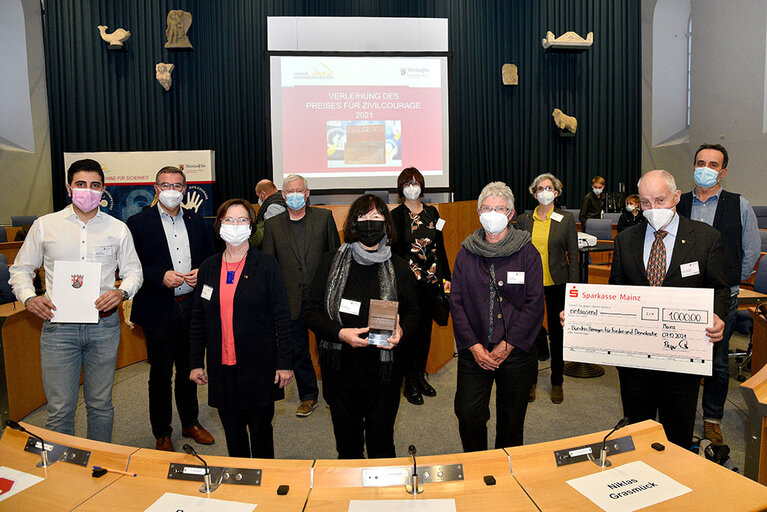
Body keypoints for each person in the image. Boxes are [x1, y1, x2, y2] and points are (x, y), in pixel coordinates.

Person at [9, 158, 143, 442]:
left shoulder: (118, 229)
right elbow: (20, 269)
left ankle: (98, 466)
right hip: (59, 329)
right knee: (59, 409)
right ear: (69, 188)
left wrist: (122, 292)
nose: (88, 190)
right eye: (81, 184)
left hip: (103, 329)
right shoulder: (45, 226)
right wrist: (28, 298)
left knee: (100, 405)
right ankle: (62, 474)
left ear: (103, 190)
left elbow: (134, 272)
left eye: (95, 185)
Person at [608, 170, 728, 449]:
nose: (652, 209)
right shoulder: (626, 239)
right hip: (636, 359)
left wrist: (719, 315)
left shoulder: (706, 238)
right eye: (645, 203)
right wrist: (583, 316)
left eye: (660, 200)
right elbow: (615, 291)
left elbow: (720, 288)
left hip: (682, 359)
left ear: (676, 197)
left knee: (677, 434)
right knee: (637, 433)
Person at [304, 194, 419, 459]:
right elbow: (310, 312)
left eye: (377, 217)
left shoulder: (399, 267)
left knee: (381, 443)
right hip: (340, 369)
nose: (370, 223)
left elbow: (414, 312)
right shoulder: (330, 261)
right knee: (348, 446)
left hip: (384, 372)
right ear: (353, 224)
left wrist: (402, 332)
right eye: (363, 217)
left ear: (386, 225)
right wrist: (340, 333)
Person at [188, 199, 294, 458]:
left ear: (252, 226)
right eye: (229, 220)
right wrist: (195, 363)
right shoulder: (209, 267)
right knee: (232, 430)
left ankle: (265, 482)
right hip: (222, 367)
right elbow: (198, 319)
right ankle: (239, 482)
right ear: (219, 225)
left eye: (242, 220)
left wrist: (285, 362)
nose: (235, 226)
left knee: (260, 431)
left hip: (259, 366)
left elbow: (283, 316)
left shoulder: (266, 265)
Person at [126, 166, 216, 452]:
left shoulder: (196, 220)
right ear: (156, 189)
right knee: (161, 374)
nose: (172, 191)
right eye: (165, 185)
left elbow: (210, 258)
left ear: (185, 189)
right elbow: (130, 265)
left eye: (177, 186)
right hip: (158, 308)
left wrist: (201, 271)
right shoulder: (138, 223)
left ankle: (190, 423)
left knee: (191, 369)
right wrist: (158, 275)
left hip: (192, 307)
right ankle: (162, 431)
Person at [677, 144, 760, 446]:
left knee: (717, 360)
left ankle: (712, 418)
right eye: (701, 162)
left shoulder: (739, 205)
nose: (706, 168)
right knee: (679, 355)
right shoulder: (678, 202)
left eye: (713, 164)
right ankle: (679, 414)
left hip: (721, 296)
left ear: (723, 171)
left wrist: (727, 280)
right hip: (683, 295)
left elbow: (750, 253)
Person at [452, 182, 544, 452]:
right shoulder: (466, 252)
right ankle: (477, 464)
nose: (492, 213)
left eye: (499, 208)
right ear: (479, 212)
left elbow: (534, 303)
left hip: (516, 352)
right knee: (468, 414)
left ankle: (506, 473)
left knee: (512, 420)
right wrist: (474, 346)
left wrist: (509, 344)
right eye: (487, 208)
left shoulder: (527, 252)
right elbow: (456, 302)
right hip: (475, 351)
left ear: (511, 213)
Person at [262, 174, 341, 417]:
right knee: (298, 350)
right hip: (289, 300)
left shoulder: (324, 218)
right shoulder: (273, 224)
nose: (295, 195)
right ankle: (308, 396)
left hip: (321, 299)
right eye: (290, 192)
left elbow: (335, 258)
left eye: (300, 191)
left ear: (307, 194)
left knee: (328, 348)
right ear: (284, 195)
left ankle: (333, 395)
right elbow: (269, 265)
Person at [390, 167, 451, 405]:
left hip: (432, 283)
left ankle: (421, 375)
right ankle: (410, 381)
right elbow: (393, 254)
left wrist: (447, 279)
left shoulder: (433, 213)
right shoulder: (395, 216)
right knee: (410, 334)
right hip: (408, 286)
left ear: (422, 185)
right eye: (407, 182)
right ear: (401, 188)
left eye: (416, 182)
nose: (412, 186)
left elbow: (441, 248)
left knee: (426, 333)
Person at [516, 173, 578, 404]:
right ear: (534, 193)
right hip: (529, 285)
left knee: (557, 334)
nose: (544, 191)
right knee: (530, 335)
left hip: (557, 283)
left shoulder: (567, 218)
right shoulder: (524, 220)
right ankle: (530, 380)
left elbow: (573, 254)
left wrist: (573, 290)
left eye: (549, 188)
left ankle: (557, 381)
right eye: (540, 188)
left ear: (557, 192)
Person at [249, 179, 287, 248]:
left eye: (258, 196)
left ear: (262, 194)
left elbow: (271, 231)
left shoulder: (274, 207)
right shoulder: (281, 199)